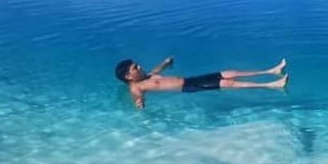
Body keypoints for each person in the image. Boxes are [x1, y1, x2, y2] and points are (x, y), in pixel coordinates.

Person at [115, 56, 287, 108]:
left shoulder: (148, 76)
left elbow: (158, 69)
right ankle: (272, 85)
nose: (139, 67)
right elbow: (137, 98)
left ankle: (271, 71)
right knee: (227, 83)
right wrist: (139, 103)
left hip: (191, 80)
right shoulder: (137, 86)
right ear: (129, 77)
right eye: (135, 68)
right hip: (188, 87)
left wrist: (166, 63)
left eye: (137, 64)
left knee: (227, 73)